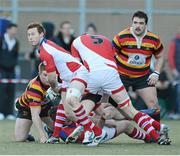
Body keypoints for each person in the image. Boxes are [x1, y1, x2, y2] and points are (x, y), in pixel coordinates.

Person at [70, 33, 170, 145]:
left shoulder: (76, 42)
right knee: (128, 112)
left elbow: (77, 68)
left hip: (93, 76)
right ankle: (157, 132)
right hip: (111, 74)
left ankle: (90, 132)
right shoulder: (106, 39)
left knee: (83, 112)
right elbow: (114, 58)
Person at [26, 22, 104, 145]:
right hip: (68, 77)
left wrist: (54, 87)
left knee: (72, 100)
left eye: (33, 34)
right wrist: (57, 86)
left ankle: (94, 131)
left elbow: (51, 78)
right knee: (63, 107)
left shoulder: (45, 50)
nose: (30, 37)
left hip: (78, 73)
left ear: (42, 34)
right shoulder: (45, 46)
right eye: (29, 35)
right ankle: (56, 135)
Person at [112, 11, 164, 120]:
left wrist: (156, 73)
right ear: (132, 23)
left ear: (146, 25)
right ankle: (100, 133)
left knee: (154, 106)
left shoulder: (154, 39)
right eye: (135, 22)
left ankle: (157, 135)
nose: (138, 26)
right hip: (121, 77)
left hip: (143, 77)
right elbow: (110, 55)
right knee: (108, 108)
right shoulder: (121, 36)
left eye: (141, 23)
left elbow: (160, 56)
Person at [14, 63, 54, 143]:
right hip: (27, 108)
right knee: (20, 139)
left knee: (60, 131)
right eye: (44, 75)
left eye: (49, 75)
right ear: (39, 73)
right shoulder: (35, 88)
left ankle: (49, 129)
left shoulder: (56, 79)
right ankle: (27, 132)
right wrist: (42, 137)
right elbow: (35, 115)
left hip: (45, 105)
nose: (47, 78)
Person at [0, 23, 19, 120]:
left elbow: (15, 56)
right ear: (7, 30)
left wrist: (13, 65)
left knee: (11, 90)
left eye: (16, 30)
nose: (14, 32)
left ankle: (9, 113)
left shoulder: (16, 42)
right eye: (13, 29)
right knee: (2, 90)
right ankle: (1, 112)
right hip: (2, 70)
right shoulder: (2, 40)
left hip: (11, 70)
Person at [168, 25, 180, 119]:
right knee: (178, 91)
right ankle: (177, 111)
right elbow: (171, 57)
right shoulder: (174, 41)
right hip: (178, 72)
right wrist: (173, 69)